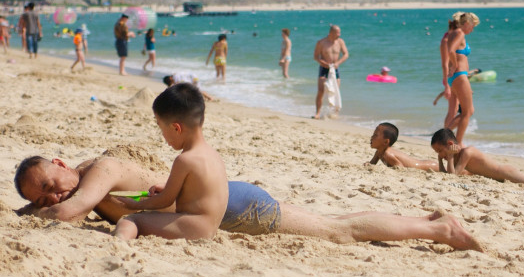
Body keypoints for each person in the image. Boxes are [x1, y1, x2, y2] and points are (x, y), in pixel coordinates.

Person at [15, 157, 483, 251]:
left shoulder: (100, 169)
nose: (53, 196)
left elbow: (67, 213)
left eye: (50, 184)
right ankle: (427, 220)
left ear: (61, 162)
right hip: (225, 205)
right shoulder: (83, 185)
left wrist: (30, 213)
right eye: (43, 197)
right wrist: (28, 210)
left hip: (235, 207)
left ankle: (440, 230)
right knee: (334, 223)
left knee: (338, 232)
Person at [109, 83, 229, 240]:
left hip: (192, 227)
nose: (163, 137)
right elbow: (201, 189)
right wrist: (168, 187)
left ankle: (119, 243)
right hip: (210, 228)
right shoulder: (214, 155)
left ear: (176, 128)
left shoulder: (184, 159)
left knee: (130, 220)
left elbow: (165, 201)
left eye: (161, 128)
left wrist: (136, 205)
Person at [445, 12, 479, 145]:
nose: (472, 30)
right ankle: (457, 143)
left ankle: (445, 136)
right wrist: (454, 65)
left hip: (457, 77)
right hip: (459, 75)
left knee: (469, 111)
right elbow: (451, 51)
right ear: (467, 24)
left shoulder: (452, 33)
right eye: (472, 26)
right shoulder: (459, 33)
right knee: (467, 112)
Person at [366, 122, 439, 171]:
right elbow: (372, 163)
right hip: (424, 164)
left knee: (443, 170)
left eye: (375, 135)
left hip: (428, 166)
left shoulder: (387, 154)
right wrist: (368, 164)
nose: (372, 137)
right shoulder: (379, 152)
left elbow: (400, 168)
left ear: (386, 142)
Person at [313, 24, 349, 119]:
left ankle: (335, 113)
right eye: (337, 33)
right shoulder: (321, 42)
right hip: (324, 68)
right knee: (321, 90)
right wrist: (322, 62)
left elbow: (346, 54)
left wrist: (338, 63)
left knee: (336, 91)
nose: (339, 34)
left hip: (335, 68)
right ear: (331, 33)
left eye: (339, 32)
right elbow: (316, 56)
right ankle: (317, 113)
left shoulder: (340, 42)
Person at [439, 14, 462, 130]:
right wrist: (447, 85)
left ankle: (446, 133)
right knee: (453, 110)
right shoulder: (446, 40)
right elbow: (445, 64)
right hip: (450, 78)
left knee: (454, 109)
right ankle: (446, 133)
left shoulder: (453, 38)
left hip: (456, 76)